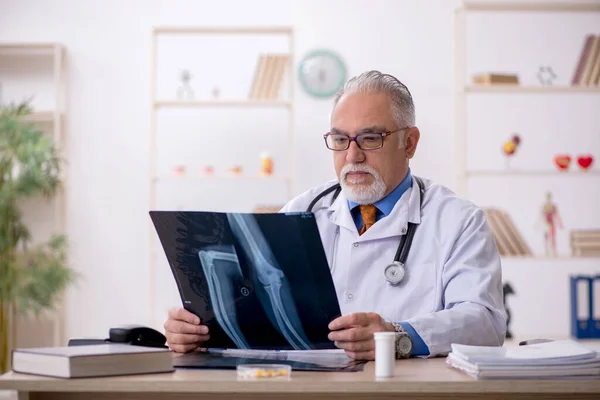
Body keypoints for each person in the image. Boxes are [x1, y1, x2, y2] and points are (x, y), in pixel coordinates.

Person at [163, 70, 506, 360]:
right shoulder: (301, 211)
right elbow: (254, 315)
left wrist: (396, 336)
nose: (352, 155)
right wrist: (199, 334)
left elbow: (484, 322)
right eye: (340, 139)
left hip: (404, 391)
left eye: (370, 138)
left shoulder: (458, 221)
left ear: (410, 143)